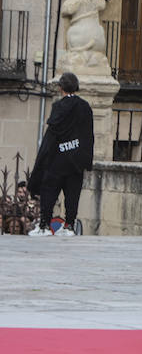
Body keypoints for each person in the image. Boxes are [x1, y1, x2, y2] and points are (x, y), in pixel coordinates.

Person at [27, 72, 94, 237]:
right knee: (72, 195)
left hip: (56, 160)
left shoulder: (58, 106)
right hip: (76, 160)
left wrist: (43, 159)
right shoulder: (85, 107)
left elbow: (52, 135)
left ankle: (44, 226)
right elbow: (88, 135)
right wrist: (86, 159)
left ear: (61, 88)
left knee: (49, 193)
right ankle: (69, 226)